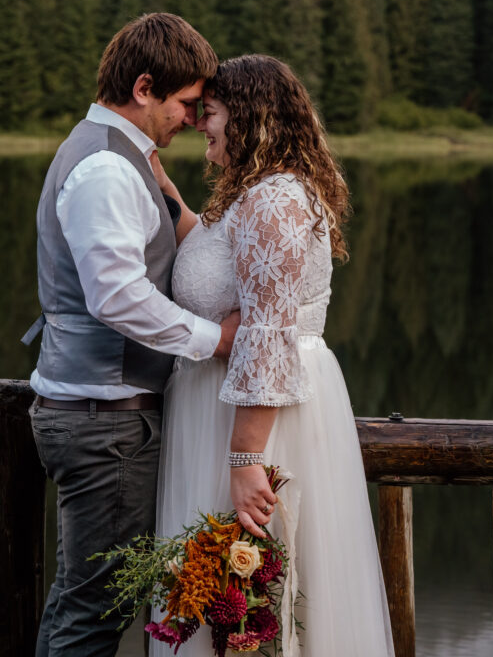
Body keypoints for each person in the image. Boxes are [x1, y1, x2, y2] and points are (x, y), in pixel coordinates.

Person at [150, 55, 395, 657]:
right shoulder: (252, 194)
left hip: (261, 423)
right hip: (225, 406)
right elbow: (212, 265)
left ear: (249, 117)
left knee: (260, 596)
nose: (201, 125)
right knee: (224, 602)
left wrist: (245, 458)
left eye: (210, 114)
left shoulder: (276, 200)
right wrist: (160, 184)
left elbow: (266, 335)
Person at [23, 13, 240, 657]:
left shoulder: (123, 158)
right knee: (93, 611)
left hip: (103, 416)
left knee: (84, 601)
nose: (194, 120)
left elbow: (176, 239)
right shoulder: (107, 171)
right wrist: (215, 339)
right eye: (184, 104)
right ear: (143, 88)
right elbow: (117, 296)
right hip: (104, 422)